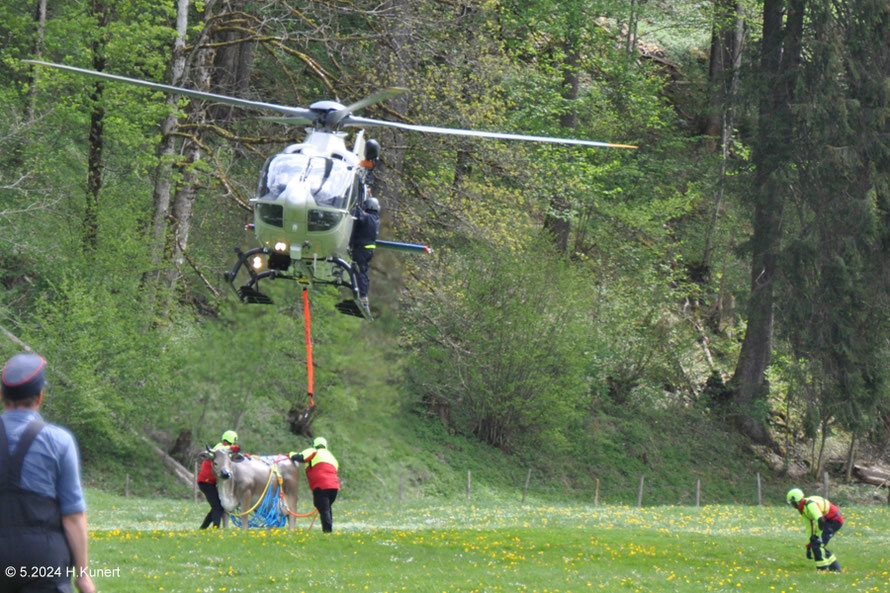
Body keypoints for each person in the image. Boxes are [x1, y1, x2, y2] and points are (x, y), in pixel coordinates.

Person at [0, 352, 95, 593]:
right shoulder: (59, 441)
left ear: (2, 395)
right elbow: (73, 516)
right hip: (44, 562)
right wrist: (83, 576)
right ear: (40, 397)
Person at [786, 487, 843, 572]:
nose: (792, 505)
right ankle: (835, 568)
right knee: (815, 544)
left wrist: (817, 536)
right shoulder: (802, 509)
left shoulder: (810, 505)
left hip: (834, 520)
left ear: (796, 501)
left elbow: (820, 520)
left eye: (792, 503)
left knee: (818, 544)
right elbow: (809, 527)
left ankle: (823, 569)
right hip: (826, 521)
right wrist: (808, 546)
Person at [290, 436, 340, 533]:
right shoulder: (331, 456)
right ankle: (328, 531)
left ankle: (327, 532)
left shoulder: (313, 451)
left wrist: (291, 454)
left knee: (323, 508)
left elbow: (301, 457)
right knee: (326, 508)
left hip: (321, 485)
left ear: (315, 444)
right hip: (334, 487)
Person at [197, 430, 239, 529]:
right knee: (218, 506)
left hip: (208, 481)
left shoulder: (218, 447)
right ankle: (215, 528)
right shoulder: (220, 449)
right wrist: (235, 448)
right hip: (206, 482)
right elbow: (227, 450)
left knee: (216, 506)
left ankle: (203, 528)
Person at [350, 196, 380, 310]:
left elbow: (358, 214)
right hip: (367, 251)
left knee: (360, 272)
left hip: (362, 250)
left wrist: (355, 203)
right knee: (362, 272)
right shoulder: (375, 219)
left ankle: (363, 297)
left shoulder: (367, 217)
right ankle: (362, 295)